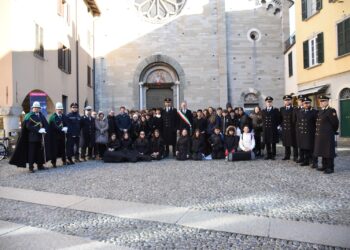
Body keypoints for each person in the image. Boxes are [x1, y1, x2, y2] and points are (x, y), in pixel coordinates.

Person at [314, 95, 339, 174]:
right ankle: (324, 166)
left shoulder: (331, 111)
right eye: (320, 101)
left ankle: (330, 167)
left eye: (323, 101)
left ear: (327, 102)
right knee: (322, 150)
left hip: (328, 135)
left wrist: (331, 131)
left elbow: (335, 123)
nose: (321, 102)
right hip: (320, 135)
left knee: (329, 151)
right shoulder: (320, 111)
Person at [298, 97, 318, 167]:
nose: (306, 104)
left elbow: (317, 123)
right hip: (302, 133)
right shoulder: (301, 112)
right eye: (304, 103)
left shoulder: (314, 112)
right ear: (302, 104)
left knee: (312, 149)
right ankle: (306, 161)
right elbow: (299, 123)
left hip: (311, 133)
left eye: (308, 103)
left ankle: (314, 162)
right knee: (304, 148)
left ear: (310, 103)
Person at [48, 102, 68, 168]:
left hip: (62, 136)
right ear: (56, 109)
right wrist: (62, 129)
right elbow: (53, 126)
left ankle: (64, 160)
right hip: (55, 137)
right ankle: (54, 163)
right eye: (58, 109)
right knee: (55, 150)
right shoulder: (52, 117)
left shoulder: (64, 116)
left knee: (63, 148)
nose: (60, 110)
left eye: (61, 109)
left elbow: (66, 124)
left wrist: (66, 128)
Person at [280, 95, 298, 161]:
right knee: (286, 143)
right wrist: (282, 125)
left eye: (288, 100)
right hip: (285, 128)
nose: (287, 101)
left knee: (294, 143)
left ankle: (295, 156)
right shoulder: (282, 109)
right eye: (285, 100)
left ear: (291, 101)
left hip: (292, 128)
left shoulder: (294, 108)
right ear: (284, 101)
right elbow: (280, 119)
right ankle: (287, 155)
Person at [294, 95, 304, 163]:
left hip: (306, 129)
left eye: (301, 101)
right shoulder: (295, 109)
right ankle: (301, 157)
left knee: (306, 144)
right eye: (299, 101)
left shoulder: (308, 108)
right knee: (300, 144)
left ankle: (307, 158)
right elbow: (294, 120)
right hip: (298, 129)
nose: (300, 102)